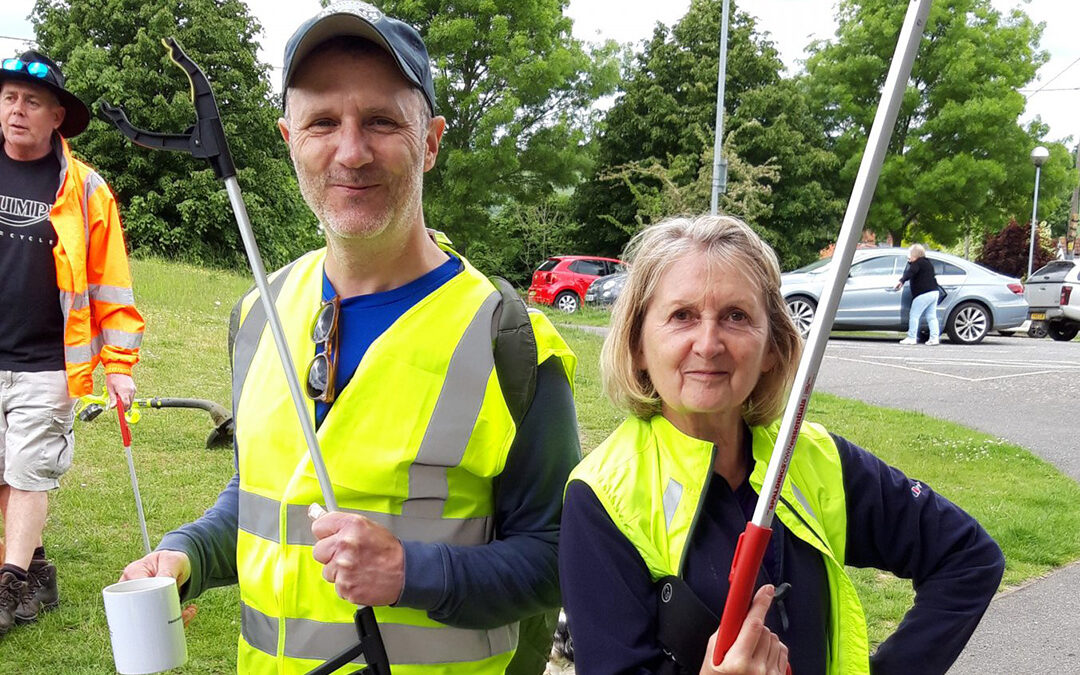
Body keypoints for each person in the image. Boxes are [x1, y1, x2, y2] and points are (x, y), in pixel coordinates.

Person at [119, 3, 580, 673]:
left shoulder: (510, 343)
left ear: (431, 141)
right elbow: (267, 497)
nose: (351, 150)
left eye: (383, 121)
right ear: (289, 138)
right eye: (323, 122)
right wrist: (189, 551)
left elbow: (559, 557)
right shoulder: (258, 314)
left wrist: (409, 570)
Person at [559, 215, 1004, 674]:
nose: (708, 343)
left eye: (736, 316)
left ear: (772, 346)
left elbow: (968, 557)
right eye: (682, 316)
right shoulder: (603, 497)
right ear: (637, 345)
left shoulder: (813, 457)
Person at [0, 51, 143, 636]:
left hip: (49, 363)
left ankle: (8, 586)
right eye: (9, 97)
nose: (17, 109)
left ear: (57, 115)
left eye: (31, 101)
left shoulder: (86, 191)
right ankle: (35, 568)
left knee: (28, 471)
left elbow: (112, 285)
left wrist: (120, 364)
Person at [894, 244, 940, 345]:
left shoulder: (917, 263)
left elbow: (910, 272)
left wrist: (901, 281)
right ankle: (934, 338)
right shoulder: (927, 263)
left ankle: (911, 337)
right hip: (934, 292)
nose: (908, 256)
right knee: (931, 316)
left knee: (914, 315)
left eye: (909, 254)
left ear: (915, 254)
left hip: (923, 294)